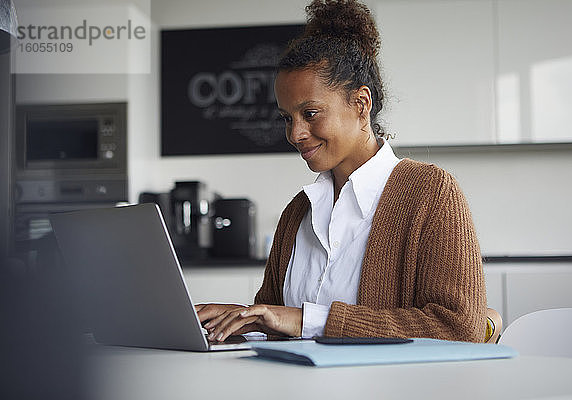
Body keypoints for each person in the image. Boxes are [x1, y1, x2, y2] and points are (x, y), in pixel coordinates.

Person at [195, 0, 487, 343]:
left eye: (311, 113)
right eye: (287, 118)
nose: (295, 133)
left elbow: (458, 327)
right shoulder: (297, 212)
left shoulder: (431, 193)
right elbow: (277, 323)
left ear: (361, 105)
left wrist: (309, 320)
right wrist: (242, 322)